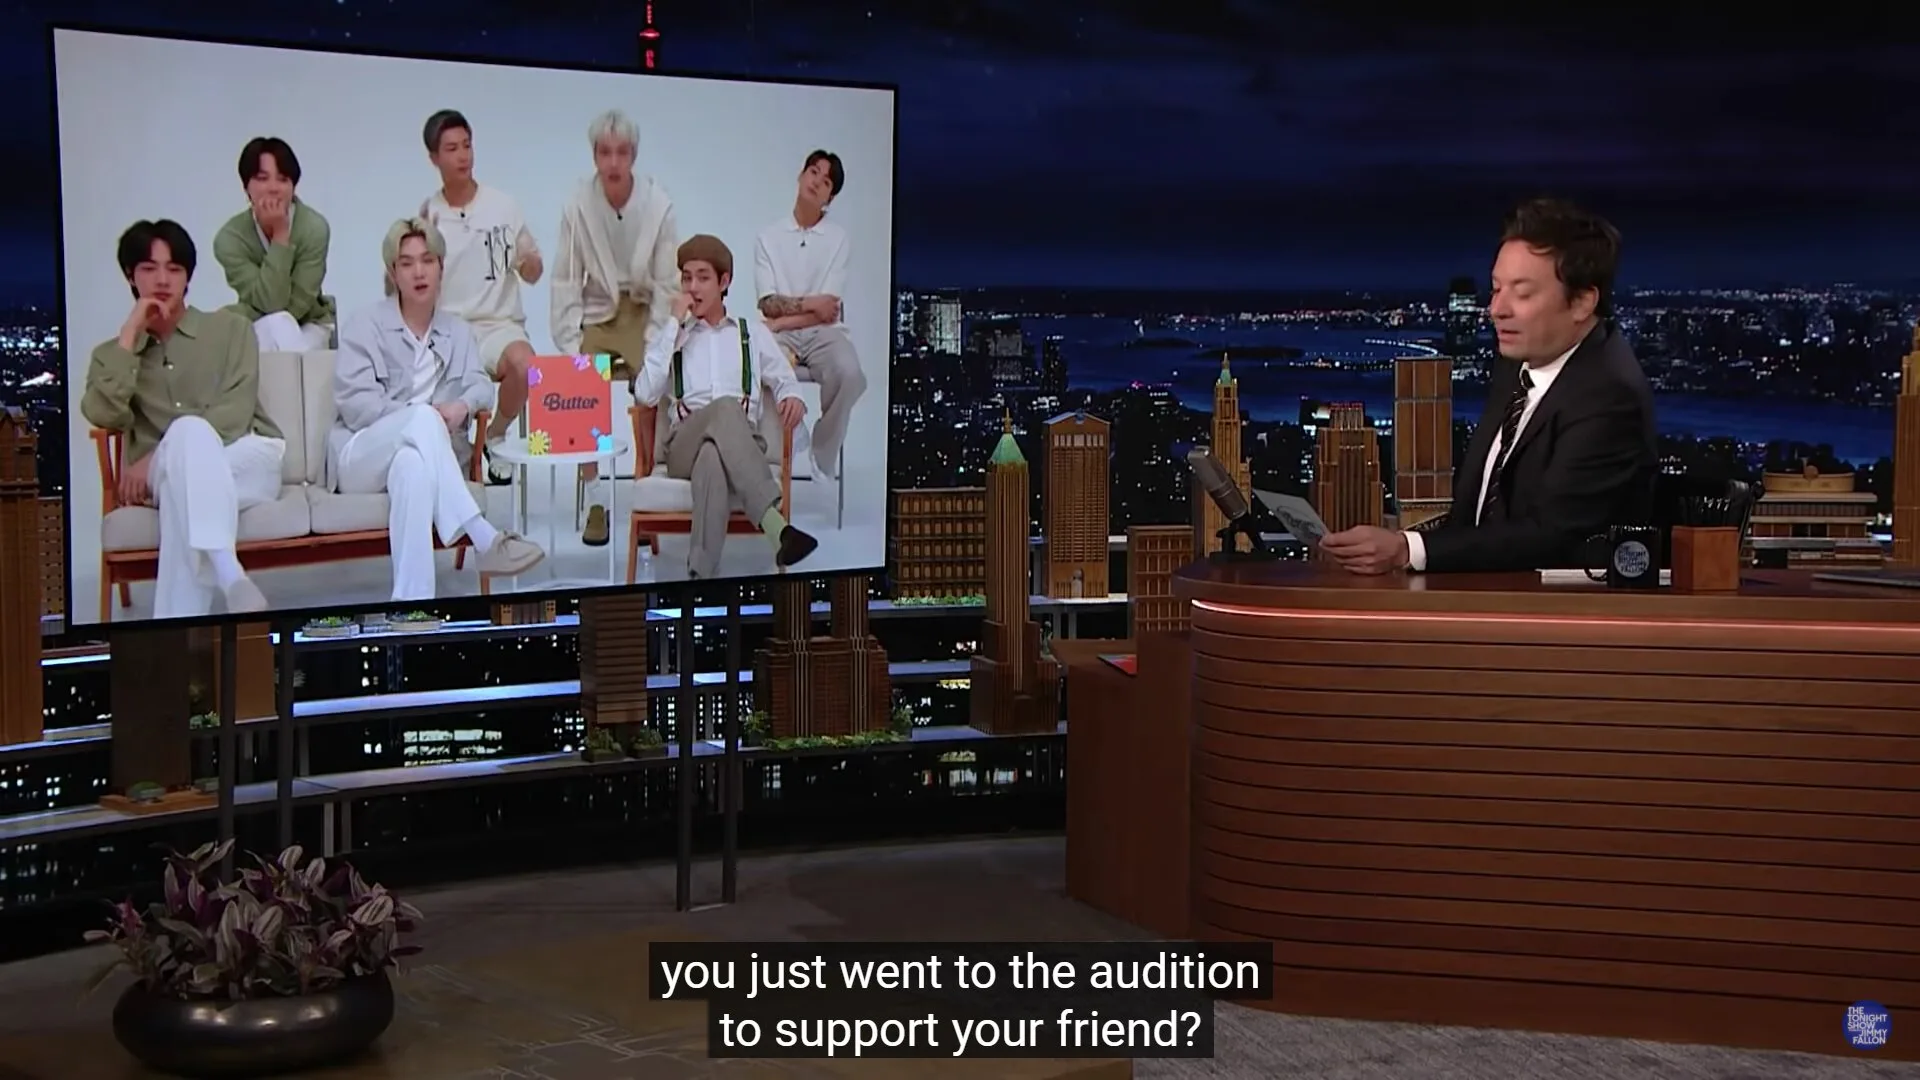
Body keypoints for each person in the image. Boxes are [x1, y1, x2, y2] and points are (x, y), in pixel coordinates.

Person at [1322, 198, 1656, 574]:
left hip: (1553, 606)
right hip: (1479, 590)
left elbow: (1553, 536)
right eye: (1496, 290)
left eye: (1522, 293)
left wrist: (1408, 549)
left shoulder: (1610, 395)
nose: (1497, 309)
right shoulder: (1517, 363)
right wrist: (1398, 540)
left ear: (1581, 302)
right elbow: (1477, 514)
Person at [330, 218, 546, 601]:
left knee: (412, 467)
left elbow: (481, 386)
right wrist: (420, 418)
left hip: (417, 457)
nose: (418, 272)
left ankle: (412, 606)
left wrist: (463, 406)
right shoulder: (365, 325)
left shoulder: (457, 331)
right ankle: (483, 536)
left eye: (427, 261)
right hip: (361, 455)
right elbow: (356, 406)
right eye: (407, 263)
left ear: (441, 267)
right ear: (393, 273)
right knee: (422, 418)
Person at [80, 220, 281, 618]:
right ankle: (230, 575)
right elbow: (103, 413)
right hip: (169, 473)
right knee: (183, 471)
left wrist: (155, 457)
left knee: (183, 473)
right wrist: (129, 334)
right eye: (149, 268)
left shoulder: (231, 329)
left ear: (187, 276)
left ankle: (176, 634)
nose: (162, 280)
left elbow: (236, 412)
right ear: (130, 275)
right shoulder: (112, 355)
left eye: (173, 269)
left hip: (246, 457)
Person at [635, 235, 818, 579]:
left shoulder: (751, 334)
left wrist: (791, 395)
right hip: (682, 447)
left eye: (703, 277)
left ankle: (699, 574)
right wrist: (672, 325)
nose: (692, 287)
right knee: (723, 409)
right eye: (686, 278)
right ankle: (774, 524)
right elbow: (645, 394)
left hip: (741, 443)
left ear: (724, 282)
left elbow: (785, 378)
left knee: (712, 457)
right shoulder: (673, 335)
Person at [551, 109, 680, 547]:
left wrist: (656, 338)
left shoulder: (657, 204)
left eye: (621, 152)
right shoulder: (577, 205)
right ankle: (594, 500)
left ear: (634, 156)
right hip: (598, 313)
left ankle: (647, 493)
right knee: (578, 385)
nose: (613, 162)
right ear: (594, 155)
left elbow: (667, 281)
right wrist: (570, 341)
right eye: (605, 152)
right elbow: (566, 277)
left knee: (654, 386)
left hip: (643, 311)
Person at [417, 109, 542, 487]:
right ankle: (453, 460)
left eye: (467, 146)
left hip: (499, 325)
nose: (463, 156)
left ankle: (494, 437)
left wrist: (530, 263)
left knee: (527, 365)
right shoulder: (429, 216)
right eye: (452, 149)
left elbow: (532, 271)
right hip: (449, 329)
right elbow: (411, 285)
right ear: (434, 158)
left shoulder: (503, 205)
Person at [754, 149, 866, 481]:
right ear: (801, 175)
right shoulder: (768, 237)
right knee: (756, 364)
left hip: (822, 334)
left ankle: (823, 449)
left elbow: (828, 312)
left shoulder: (838, 239)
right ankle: (780, 446)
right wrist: (803, 308)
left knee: (850, 374)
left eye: (826, 181)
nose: (817, 182)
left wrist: (781, 320)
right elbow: (768, 303)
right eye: (813, 172)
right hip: (780, 336)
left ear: (830, 197)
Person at [212, 136, 335, 352]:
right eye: (262, 178)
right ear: (246, 186)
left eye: (283, 179)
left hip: (310, 324)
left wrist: (280, 234)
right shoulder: (230, 239)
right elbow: (270, 304)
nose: (273, 188)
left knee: (280, 329)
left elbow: (296, 305)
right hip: (259, 325)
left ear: (293, 187)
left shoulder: (314, 228)